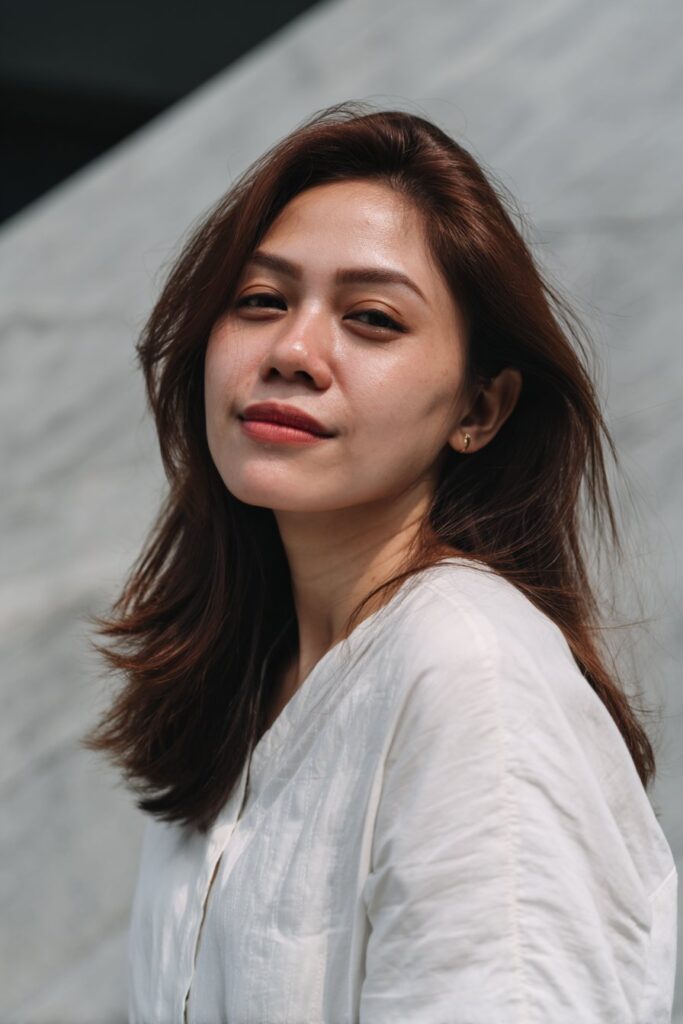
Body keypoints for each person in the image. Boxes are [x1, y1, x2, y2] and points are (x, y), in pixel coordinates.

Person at [85, 100, 678, 1023]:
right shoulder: (244, 687)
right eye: (260, 301)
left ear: (478, 409)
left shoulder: (466, 671)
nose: (292, 351)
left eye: (370, 318)